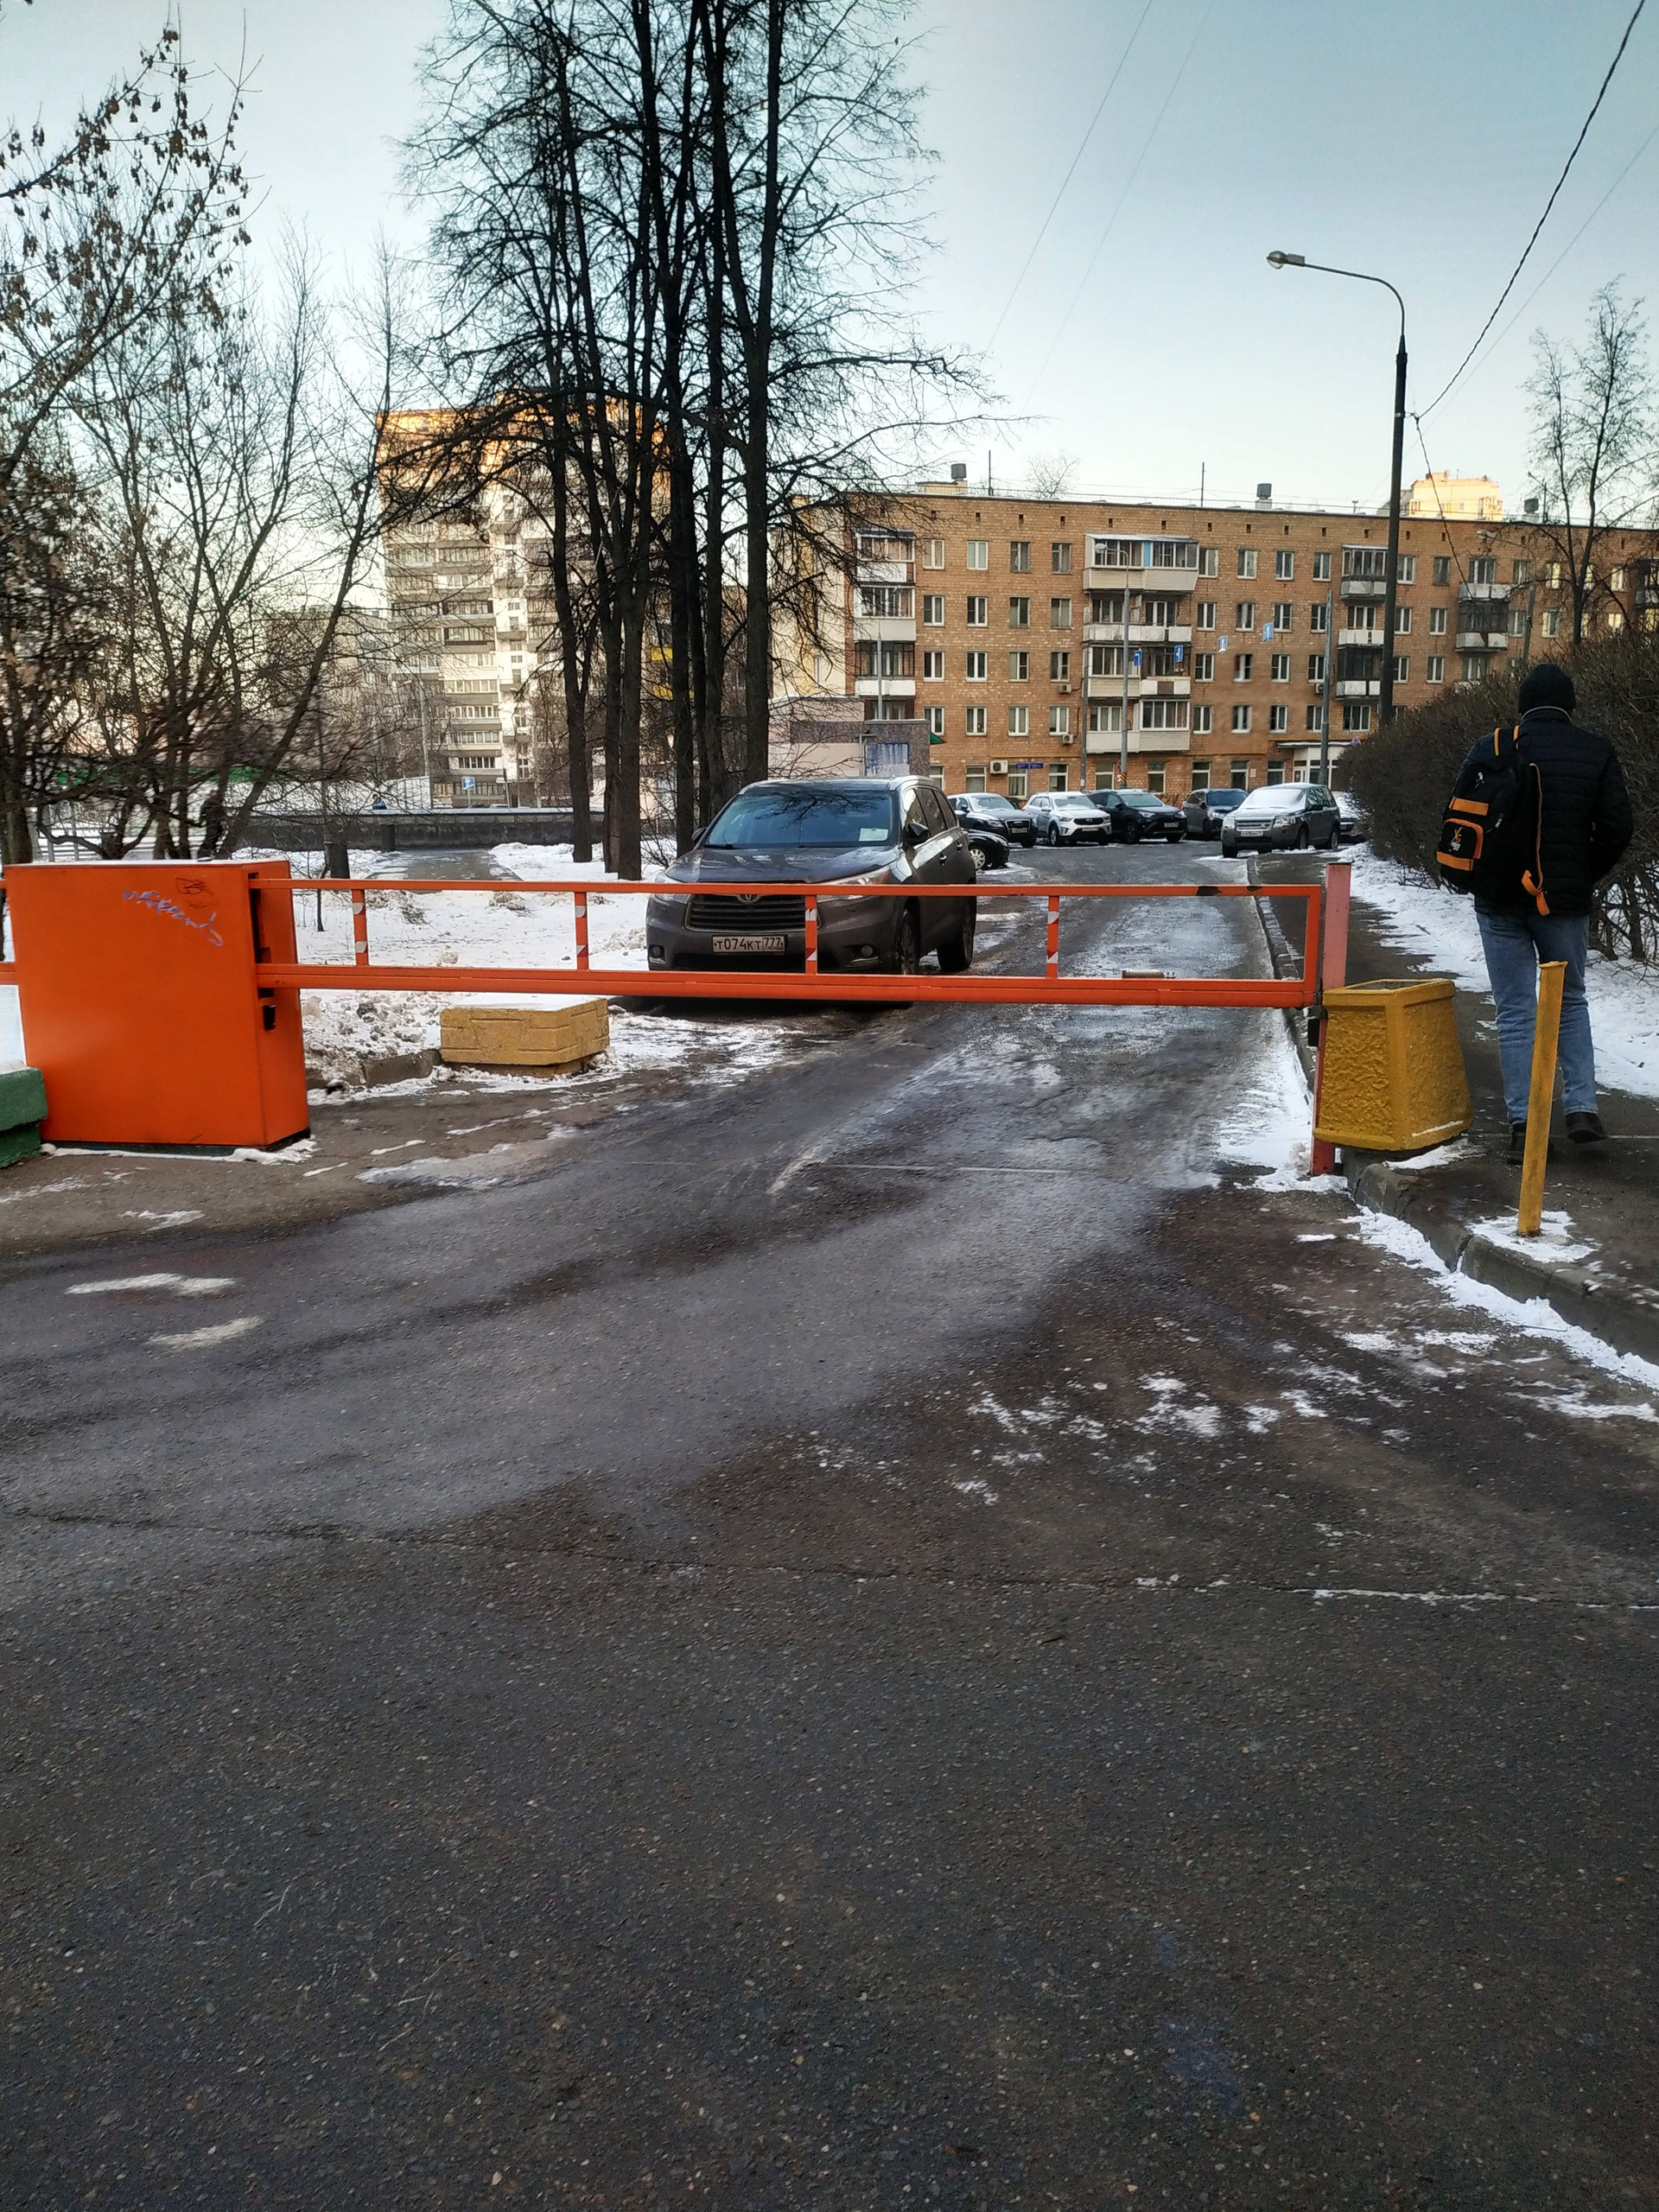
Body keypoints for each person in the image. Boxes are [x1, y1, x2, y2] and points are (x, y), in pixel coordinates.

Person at [1465, 662, 1632, 1164]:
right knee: (1570, 1002)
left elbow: (1463, 822)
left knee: (1516, 1011)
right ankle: (1581, 1110)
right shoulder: (1595, 750)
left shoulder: (1492, 747)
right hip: (1562, 902)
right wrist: (1581, 873)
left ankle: (1524, 1127)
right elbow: (1618, 826)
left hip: (1499, 900)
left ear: (1522, 707)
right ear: (1570, 705)